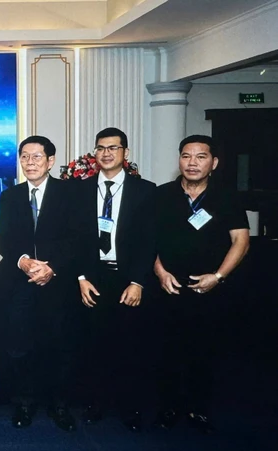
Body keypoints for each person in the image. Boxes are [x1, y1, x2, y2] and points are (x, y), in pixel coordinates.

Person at [152, 135, 249, 434]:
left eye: (200, 157)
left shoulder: (227, 197)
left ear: (214, 163)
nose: (192, 163)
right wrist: (160, 272)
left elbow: (241, 241)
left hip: (210, 288)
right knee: (166, 351)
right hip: (169, 287)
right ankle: (168, 406)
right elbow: (147, 240)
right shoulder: (161, 195)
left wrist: (218, 277)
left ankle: (198, 408)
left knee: (204, 351)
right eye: (186, 156)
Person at [72, 127, 156, 432]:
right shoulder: (79, 190)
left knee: (130, 345)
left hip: (127, 279)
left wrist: (138, 282)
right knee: (94, 345)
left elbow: (149, 241)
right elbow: (74, 239)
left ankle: (129, 406)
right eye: (101, 148)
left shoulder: (145, 191)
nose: (106, 153)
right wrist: (81, 277)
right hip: (92, 279)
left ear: (125, 153)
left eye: (113, 148)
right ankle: (96, 403)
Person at [0, 136, 78, 432]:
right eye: (25, 157)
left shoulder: (70, 194)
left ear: (51, 161)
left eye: (37, 157)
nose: (30, 162)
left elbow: (77, 239)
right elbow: (5, 239)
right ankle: (24, 403)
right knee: (20, 346)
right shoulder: (10, 196)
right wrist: (23, 261)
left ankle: (59, 405)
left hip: (58, 283)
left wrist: (52, 267)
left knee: (59, 345)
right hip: (19, 284)